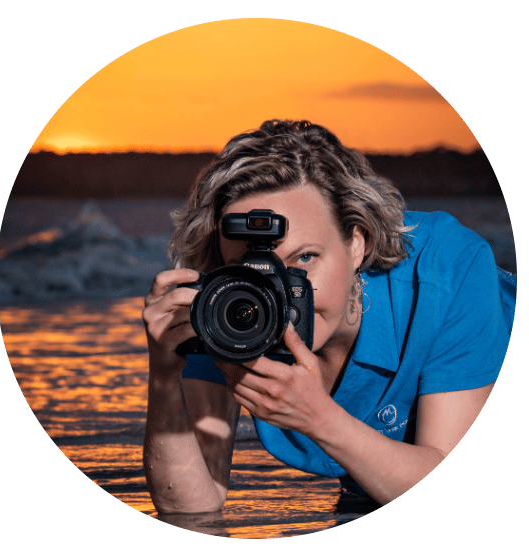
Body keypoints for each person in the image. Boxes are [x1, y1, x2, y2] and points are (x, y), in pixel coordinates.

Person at [142, 120, 516, 512]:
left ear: (357, 243)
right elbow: (191, 509)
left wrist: (320, 418)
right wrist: (164, 378)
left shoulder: (446, 272)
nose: (277, 292)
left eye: (305, 258)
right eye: (247, 266)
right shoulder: (227, 302)